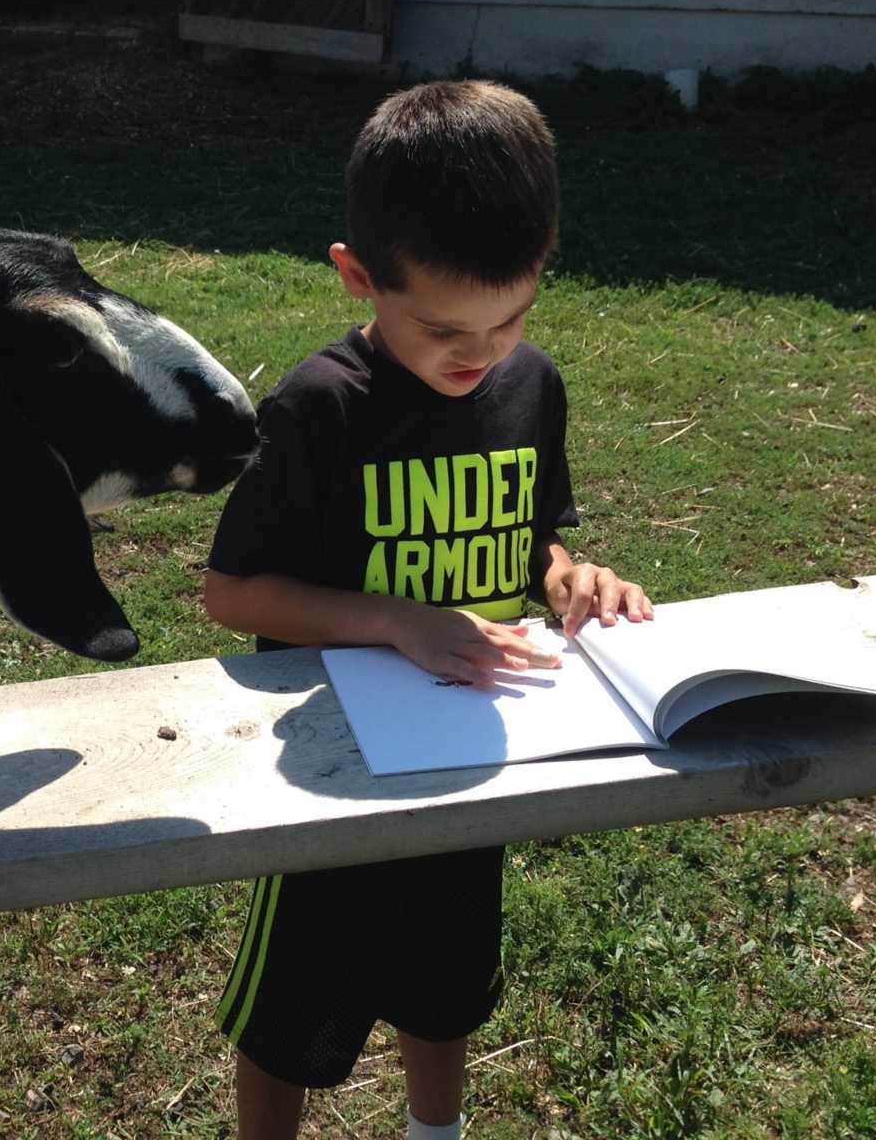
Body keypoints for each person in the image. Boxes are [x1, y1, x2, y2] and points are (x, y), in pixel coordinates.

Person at [203, 80, 654, 1140]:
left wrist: (566, 579)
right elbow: (232, 594)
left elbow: (535, 530)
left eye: (510, 318)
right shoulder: (318, 408)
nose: (481, 353)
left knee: (446, 985)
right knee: (289, 1021)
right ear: (359, 277)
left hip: (473, 762)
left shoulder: (530, 386)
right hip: (330, 781)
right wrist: (397, 620)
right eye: (444, 327)